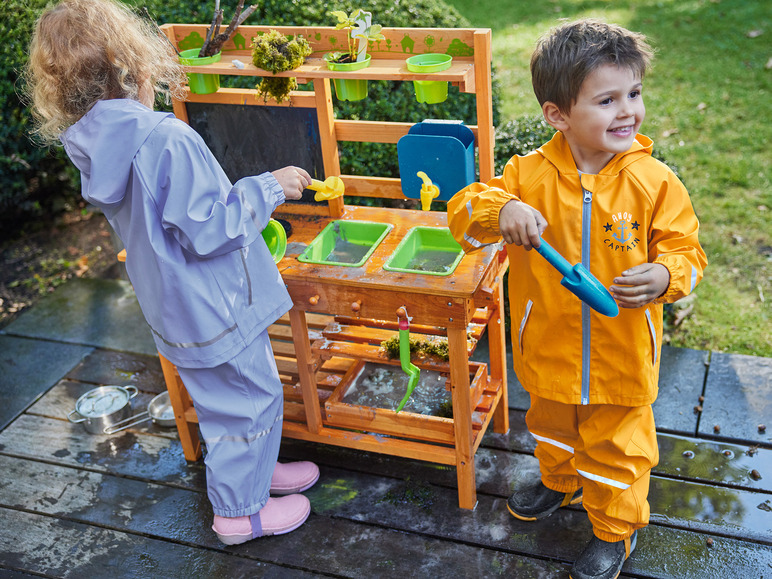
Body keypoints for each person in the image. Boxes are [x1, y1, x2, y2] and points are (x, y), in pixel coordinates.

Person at [25, 0, 320, 546]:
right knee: (250, 400)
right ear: (128, 63)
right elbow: (212, 228)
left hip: (176, 307)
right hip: (214, 303)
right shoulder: (166, 138)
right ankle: (240, 514)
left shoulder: (93, 143)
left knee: (227, 401)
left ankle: (254, 474)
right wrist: (271, 185)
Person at [447, 18, 707, 579]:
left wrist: (665, 276)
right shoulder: (527, 176)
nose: (627, 111)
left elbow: (688, 251)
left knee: (618, 449)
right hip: (548, 348)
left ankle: (614, 529)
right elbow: (464, 214)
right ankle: (561, 480)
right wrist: (500, 210)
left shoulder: (654, 182)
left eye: (633, 94)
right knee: (551, 425)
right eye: (607, 99)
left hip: (621, 357)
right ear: (557, 115)